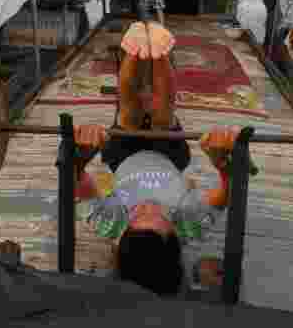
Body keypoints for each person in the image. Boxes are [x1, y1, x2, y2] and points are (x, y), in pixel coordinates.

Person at [69, 21, 241, 296]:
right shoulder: (189, 223)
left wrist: (80, 157)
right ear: (175, 232)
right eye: (157, 215)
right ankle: (160, 52)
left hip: (124, 155)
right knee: (163, 113)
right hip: (169, 155)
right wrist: (223, 164)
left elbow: (77, 182)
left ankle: (134, 50)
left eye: (139, 214)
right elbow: (226, 194)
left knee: (129, 111)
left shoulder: (111, 223)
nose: (147, 206)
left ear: (123, 234)